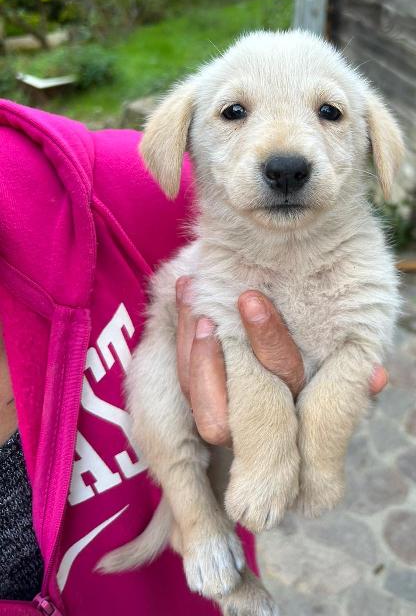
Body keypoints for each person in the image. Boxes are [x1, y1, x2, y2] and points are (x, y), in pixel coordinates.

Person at [0, 99, 387, 616]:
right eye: (234, 112)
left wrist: (314, 425)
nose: (286, 158)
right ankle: (195, 522)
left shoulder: (110, 187)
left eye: (330, 112)